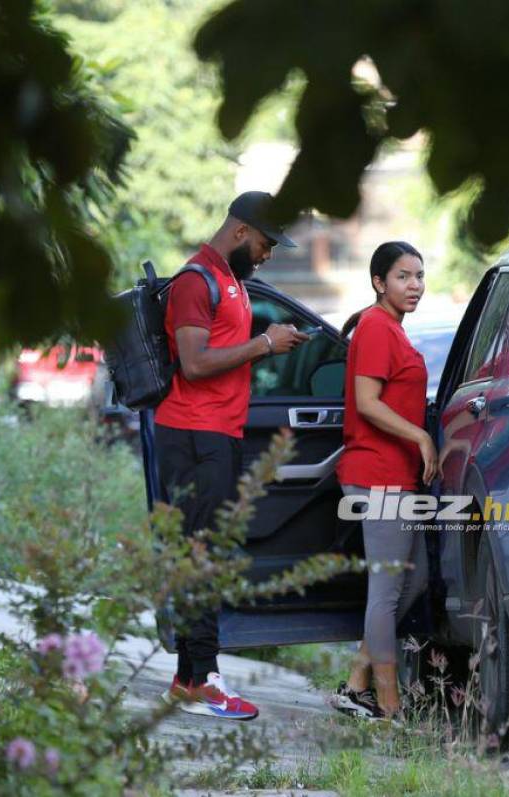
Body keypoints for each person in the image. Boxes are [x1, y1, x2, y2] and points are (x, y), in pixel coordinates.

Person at [158, 191, 308, 721]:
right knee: (204, 557)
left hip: (217, 433)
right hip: (194, 436)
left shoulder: (231, 281)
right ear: (241, 231)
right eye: (267, 243)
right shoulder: (195, 281)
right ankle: (205, 682)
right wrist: (265, 344)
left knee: (202, 553)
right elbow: (195, 364)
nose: (269, 254)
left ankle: (184, 678)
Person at [330, 241, 436, 720]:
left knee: (412, 584)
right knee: (388, 591)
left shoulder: (390, 328)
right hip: (377, 477)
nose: (414, 285)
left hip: (397, 478)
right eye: (403, 276)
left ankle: (356, 684)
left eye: (418, 276)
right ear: (379, 282)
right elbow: (367, 403)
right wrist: (421, 437)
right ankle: (389, 708)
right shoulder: (375, 327)